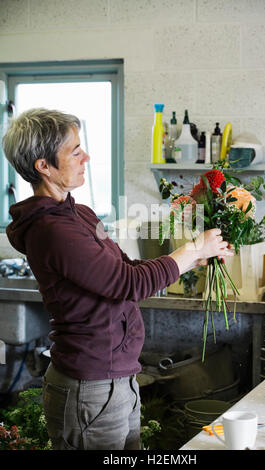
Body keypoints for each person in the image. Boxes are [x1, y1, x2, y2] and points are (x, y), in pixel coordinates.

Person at [2, 108, 232, 450]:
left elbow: (126, 266)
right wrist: (192, 248)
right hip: (88, 387)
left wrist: (196, 256)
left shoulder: (81, 214)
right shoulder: (51, 231)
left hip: (120, 378)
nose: (87, 158)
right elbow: (127, 283)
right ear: (43, 166)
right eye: (75, 151)